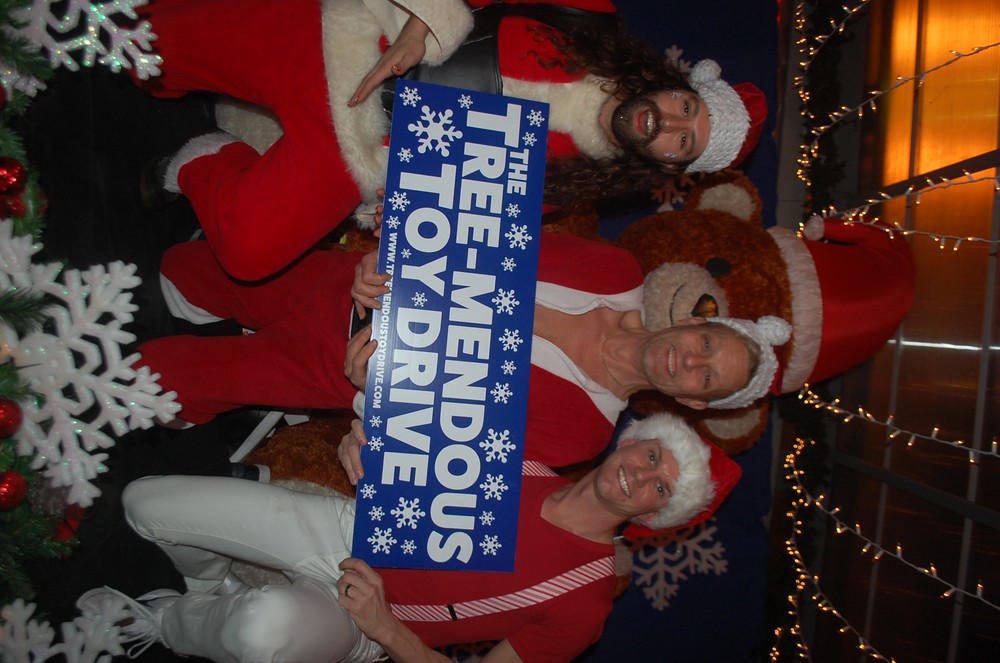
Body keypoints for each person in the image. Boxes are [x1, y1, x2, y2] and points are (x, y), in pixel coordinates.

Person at [123, 0, 766, 280]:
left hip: (356, 150)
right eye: (686, 109)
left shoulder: (567, 186)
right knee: (135, 41)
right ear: (677, 84)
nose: (670, 125)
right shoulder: (589, 19)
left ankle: (202, 160)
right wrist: (426, 21)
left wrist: (396, 235)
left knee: (248, 251)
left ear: (667, 164)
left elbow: (455, 217)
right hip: (344, 39)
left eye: (684, 142)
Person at [75, 411, 742, 663]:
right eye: (653, 456)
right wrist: (367, 449)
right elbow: (413, 462)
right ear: (635, 441)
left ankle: (167, 622)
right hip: (344, 530)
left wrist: (387, 629)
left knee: (261, 630)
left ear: (656, 516)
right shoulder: (526, 458)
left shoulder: (585, 602)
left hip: (367, 621)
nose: (642, 476)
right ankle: (206, 584)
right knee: (144, 502)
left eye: (662, 489)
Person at [137, 231, 791, 469]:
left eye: (707, 378)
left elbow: (443, 447)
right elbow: (477, 225)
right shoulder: (613, 268)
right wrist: (384, 251)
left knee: (152, 380)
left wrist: (372, 402)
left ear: (690, 401)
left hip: (342, 367)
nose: (692, 361)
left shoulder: (583, 433)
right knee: (178, 270)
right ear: (697, 323)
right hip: (351, 283)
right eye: (707, 344)